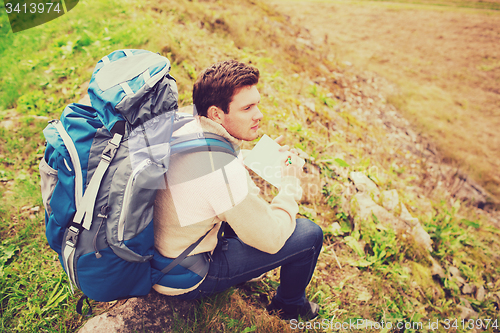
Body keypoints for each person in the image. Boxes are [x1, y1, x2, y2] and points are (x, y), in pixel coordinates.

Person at [153, 60, 323, 320]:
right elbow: (272, 239)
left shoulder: (185, 121)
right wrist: (290, 183)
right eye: (247, 108)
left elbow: (201, 168)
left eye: (257, 104)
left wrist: (255, 156)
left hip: (158, 251)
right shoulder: (222, 173)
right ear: (217, 114)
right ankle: (289, 306)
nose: (259, 115)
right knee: (309, 234)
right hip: (183, 274)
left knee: (241, 216)